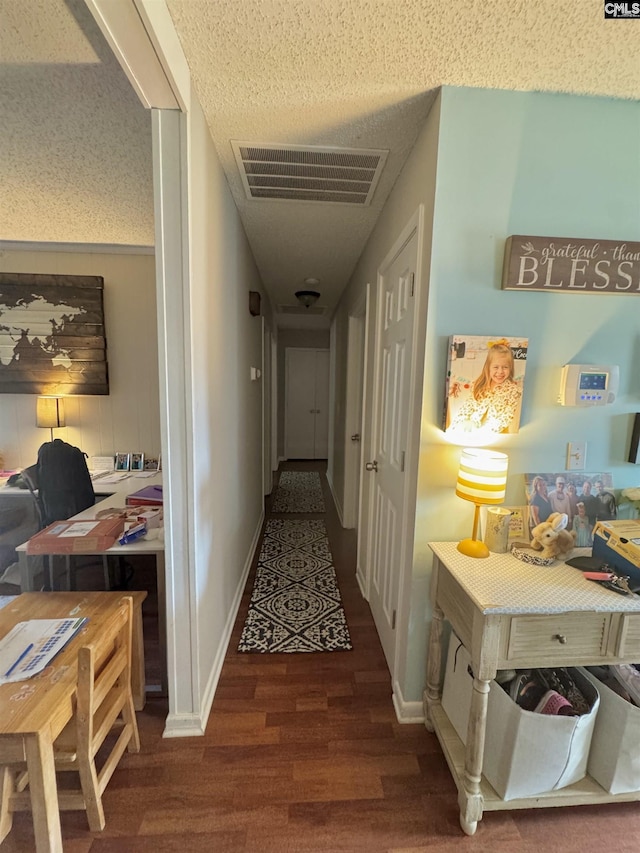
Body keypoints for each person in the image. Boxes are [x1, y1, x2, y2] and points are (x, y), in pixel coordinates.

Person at [448, 342, 522, 434]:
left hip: (495, 434)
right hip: (471, 429)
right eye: (496, 367)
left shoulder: (513, 391)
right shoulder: (479, 385)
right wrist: (458, 425)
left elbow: (506, 417)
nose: (500, 372)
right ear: (488, 367)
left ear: (510, 368)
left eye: (505, 367)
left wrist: (484, 432)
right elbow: (466, 408)